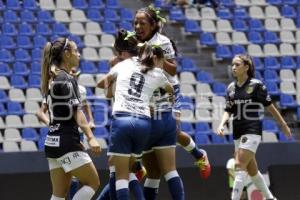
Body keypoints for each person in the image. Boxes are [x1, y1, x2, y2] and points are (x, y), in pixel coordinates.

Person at [134, 5, 210, 183]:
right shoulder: (134, 42)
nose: (137, 27)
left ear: (153, 25)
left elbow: (173, 70)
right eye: (135, 23)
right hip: (147, 94)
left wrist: (158, 58)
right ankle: (138, 166)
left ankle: (199, 155)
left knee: (172, 132)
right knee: (142, 131)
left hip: (169, 92)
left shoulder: (162, 42)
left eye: (142, 23)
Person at [97, 34, 174, 200]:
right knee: (125, 169)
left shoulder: (120, 65)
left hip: (122, 118)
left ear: (123, 52)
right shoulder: (151, 69)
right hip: (143, 121)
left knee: (117, 170)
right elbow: (169, 88)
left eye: (117, 51)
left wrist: (111, 83)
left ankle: (137, 167)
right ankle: (137, 165)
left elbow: (107, 93)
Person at [217, 54, 292, 200]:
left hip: (252, 129)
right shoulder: (231, 88)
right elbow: (228, 109)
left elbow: (271, 107)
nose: (233, 67)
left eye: (237, 64)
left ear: (246, 67)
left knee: (239, 165)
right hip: (237, 131)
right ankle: (271, 198)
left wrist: (283, 125)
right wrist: (221, 124)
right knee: (252, 170)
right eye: (232, 64)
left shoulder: (256, 85)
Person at [40, 37, 101, 200]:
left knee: (58, 195)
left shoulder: (53, 78)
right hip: (66, 142)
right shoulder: (66, 79)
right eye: (76, 51)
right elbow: (77, 112)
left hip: (52, 142)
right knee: (93, 183)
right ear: (66, 54)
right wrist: (91, 137)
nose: (78, 55)